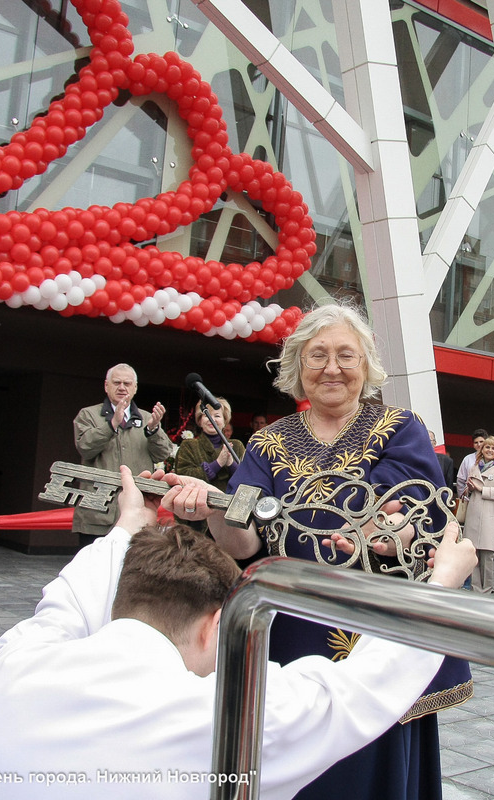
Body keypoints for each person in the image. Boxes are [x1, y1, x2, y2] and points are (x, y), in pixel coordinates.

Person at [0, 465, 476, 799]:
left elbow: (65, 602)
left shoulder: (16, 660)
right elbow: (360, 685)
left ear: (123, 598)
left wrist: (128, 525)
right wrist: (442, 583)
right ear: (216, 626)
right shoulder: (225, 723)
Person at [160, 302, 472, 800]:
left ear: (366, 366)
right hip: (285, 630)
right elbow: (244, 541)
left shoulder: (399, 427)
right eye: (317, 355)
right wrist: (212, 510)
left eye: (345, 355)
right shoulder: (266, 444)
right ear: (296, 368)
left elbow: (418, 511)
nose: (331, 368)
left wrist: (386, 532)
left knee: (371, 759)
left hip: (371, 627)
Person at [72, 364, 172, 548]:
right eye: (116, 382)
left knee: (131, 572)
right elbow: (85, 447)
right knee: (94, 571)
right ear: (106, 385)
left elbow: (163, 453)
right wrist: (112, 424)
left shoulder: (146, 418)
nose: (122, 387)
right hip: (97, 512)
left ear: (135, 388)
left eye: (127, 383)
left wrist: (153, 430)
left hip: (136, 513)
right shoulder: (88, 415)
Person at [175, 397, 244, 529]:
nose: (211, 419)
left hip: (229, 515)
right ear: (200, 421)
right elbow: (183, 476)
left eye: (217, 416)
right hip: (197, 516)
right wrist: (218, 463)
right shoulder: (189, 445)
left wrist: (230, 463)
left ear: (225, 421)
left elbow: (246, 479)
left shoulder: (236, 445)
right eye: (206, 415)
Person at [461, 435, 494, 594]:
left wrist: (482, 489)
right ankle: (475, 589)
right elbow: (466, 493)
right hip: (474, 514)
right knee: (472, 553)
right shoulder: (474, 467)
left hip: (490, 516)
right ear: (481, 450)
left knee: (487, 555)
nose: (489, 450)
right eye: (487, 447)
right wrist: (469, 488)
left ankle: (487, 589)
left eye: (493, 448)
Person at [456, 427, 488, 495]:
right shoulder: (468, 459)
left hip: (487, 496)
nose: (479, 444)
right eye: (476, 442)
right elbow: (460, 481)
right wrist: (463, 497)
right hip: (470, 497)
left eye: (481, 442)